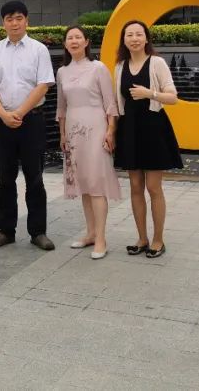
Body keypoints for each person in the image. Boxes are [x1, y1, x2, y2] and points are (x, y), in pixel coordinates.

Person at [0, 0, 56, 251]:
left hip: (31, 120)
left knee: (34, 177)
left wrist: (20, 112)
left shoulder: (38, 50)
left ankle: (38, 232)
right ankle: (5, 230)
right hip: (2, 122)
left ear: (27, 21)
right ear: (3, 23)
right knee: (5, 178)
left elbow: (43, 85)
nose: (14, 23)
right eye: (9, 19)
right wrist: (3, 114)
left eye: (19, 18)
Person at [113, 20, 181, 258]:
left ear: (146, 38)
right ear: (124, 40)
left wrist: (149, 93)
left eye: (138, 34)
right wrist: (112, 131)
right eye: (129, 35)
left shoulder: (157, 63)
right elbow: (117, 103)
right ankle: (141, 238)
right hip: (129, 129)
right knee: (135, 186)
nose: (134, 38)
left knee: (153, 187)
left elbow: (173, 97)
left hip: (154, 129)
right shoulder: (120, 66)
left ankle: (158, 240)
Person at [56, 26, 121, 260]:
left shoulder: (98, 68)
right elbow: (62, 106)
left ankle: (101, 238)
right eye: (70, 38)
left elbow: (110, 103)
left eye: (78, 37)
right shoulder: (62, 72)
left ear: (86, 42)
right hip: (73, 131)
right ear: (65, 44)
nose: (74, 41)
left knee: (96, 183)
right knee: (83, 183)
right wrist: (62, 134)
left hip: (96, 128)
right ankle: (91, 233)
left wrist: (111, 131)